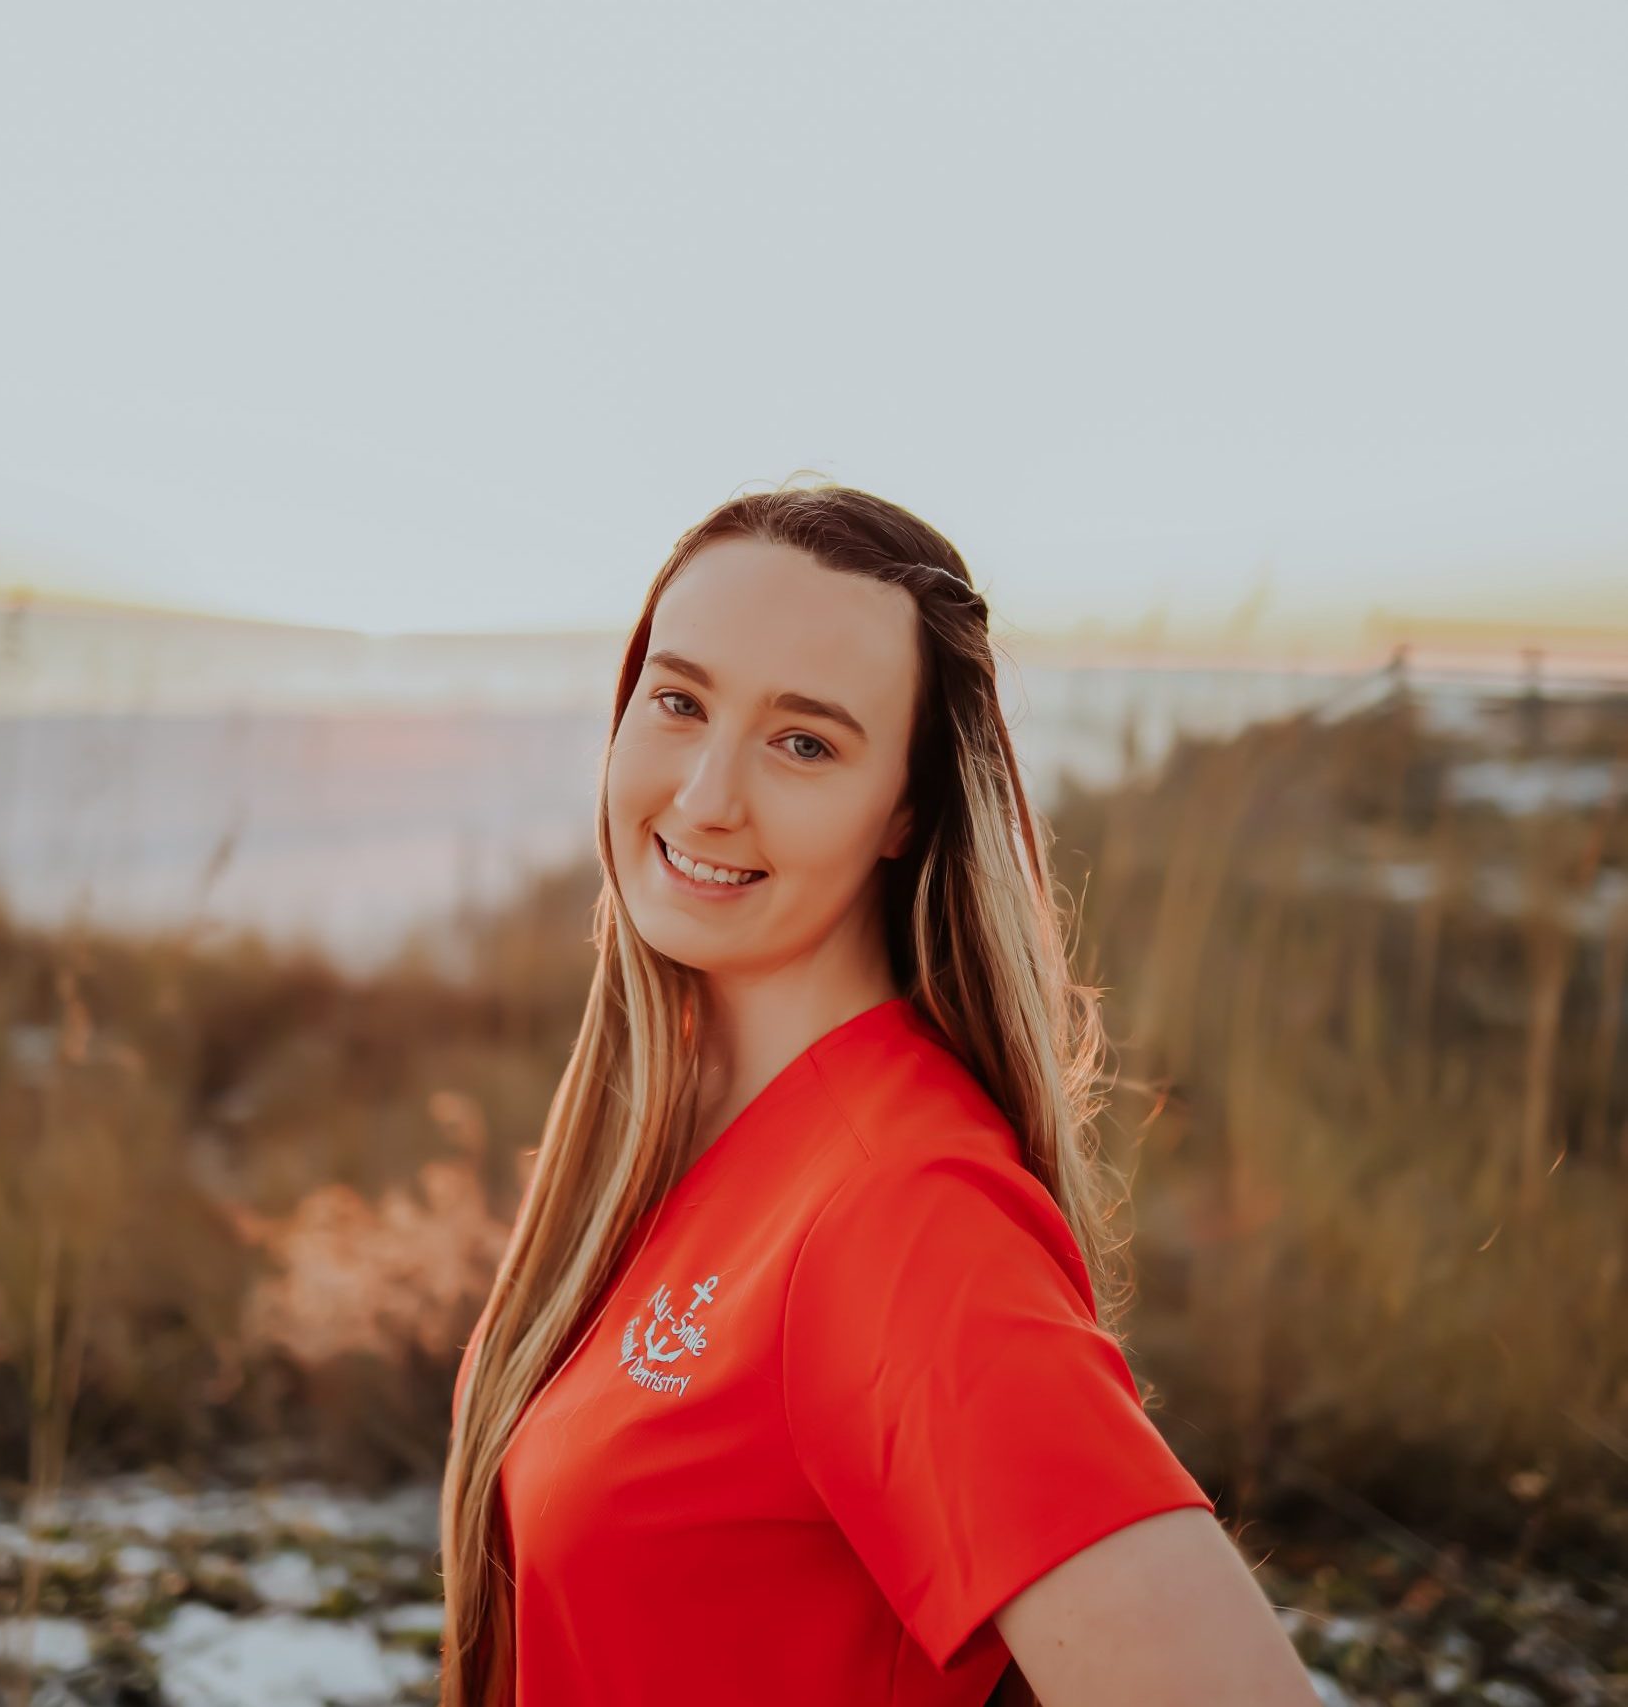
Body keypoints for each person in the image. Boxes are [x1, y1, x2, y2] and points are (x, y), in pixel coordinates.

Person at [440, 482, 1318, 1707]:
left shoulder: (902, 1210)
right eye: (680, 701)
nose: (705, 796)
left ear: (904, 807)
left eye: (805, 742)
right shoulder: (684, 1134)